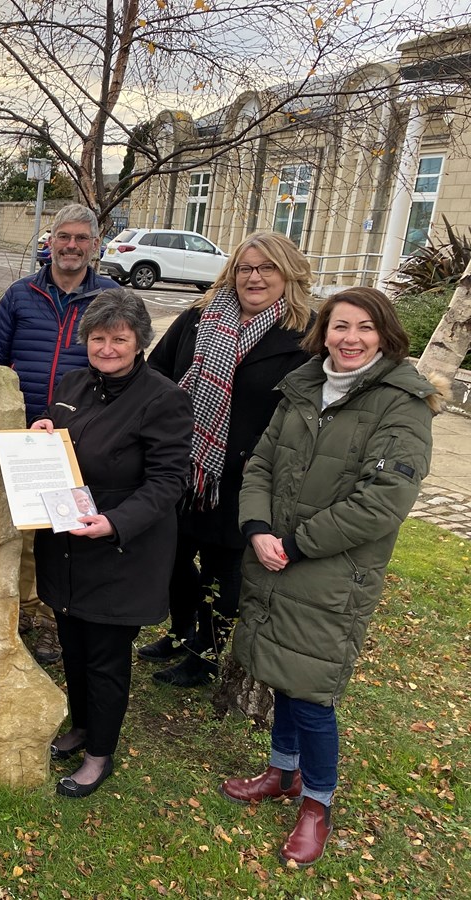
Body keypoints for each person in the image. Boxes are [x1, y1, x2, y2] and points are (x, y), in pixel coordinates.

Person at [221, 287, 438, 865]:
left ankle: (316, 802)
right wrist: (258, 527)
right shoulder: (303, 387)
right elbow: (262, 462)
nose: (350, 338)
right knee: (280, 671)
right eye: (340, 326)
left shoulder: (402, 403)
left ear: (385, 335)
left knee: (313, 692)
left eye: (365, 328)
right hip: (276, 555)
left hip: (333, 573)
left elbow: (383, 501)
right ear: (323, 332)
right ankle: (282, 770)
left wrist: (295, 543)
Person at [30, 288, 192, 798]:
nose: (107, 348)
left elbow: (169, 481)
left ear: (139, 341)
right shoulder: (71, 385)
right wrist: (40, 431)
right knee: (73, 644)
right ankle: (80, 727)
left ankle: (100, 754)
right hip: (68, 545)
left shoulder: (163, 398)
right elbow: (57, 444)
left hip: (120, 548)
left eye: (118, 339)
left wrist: (116, 522)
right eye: (98, 338)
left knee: (104, 655)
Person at [138, 232, 313, 687]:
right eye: (245, 268)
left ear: (288, 272)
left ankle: (205, 653)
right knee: (170, 557)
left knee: (224, 571)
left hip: (244, 476)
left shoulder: (305, 334)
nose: (254, 277)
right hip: (184, 465)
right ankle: (180, 631)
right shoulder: (200, 318)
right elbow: (156, 371)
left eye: (266, 268)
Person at [0, 202, 120, 664]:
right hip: (23, 435)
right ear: (50, 241)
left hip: (80, 437)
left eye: (82, 239)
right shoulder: (21, 295)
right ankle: (14, 615)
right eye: (65, 237)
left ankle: (52, 623)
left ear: (95, 246)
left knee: (64, 532)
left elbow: (123, 364)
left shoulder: (110, 300)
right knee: (20, 531)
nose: (72, 246)